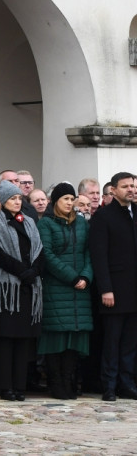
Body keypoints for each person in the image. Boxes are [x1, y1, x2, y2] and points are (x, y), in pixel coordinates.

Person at [0, 180, 44, 401]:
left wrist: (34, 270)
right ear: (2, 201)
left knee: (23, 340)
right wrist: (22, 272)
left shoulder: (29, 222)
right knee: (6, 340)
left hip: (27, 288)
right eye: (12, 198)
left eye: (19, 198)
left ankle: (19, 386)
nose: (17, 202)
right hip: (7, 289)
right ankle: (6, 386)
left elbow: (38, 250)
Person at [37, 182, 93, 400]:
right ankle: (56, 382)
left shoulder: (81, 223)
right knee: (56, 337)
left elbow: (89, 252)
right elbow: (47, 255)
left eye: (72, 199)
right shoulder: (47, 224)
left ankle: (69, 381)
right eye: (65, 199)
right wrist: (72, 277)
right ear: (55, 202)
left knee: (75, 336)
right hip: (57, 287)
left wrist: (86, 276)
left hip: (80, 288)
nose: (70, 203)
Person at [89, 172, 137, 401]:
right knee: (112, 341)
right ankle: (108, 385)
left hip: (134, 290)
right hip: (114, 290)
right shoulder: (104, 216)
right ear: (114, 190)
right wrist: (106, 289)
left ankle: (126, 383)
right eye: (126, 186)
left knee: (130, 342)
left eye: (133, 186)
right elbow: (99, 256)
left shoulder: (135, 212)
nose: (131, 189)